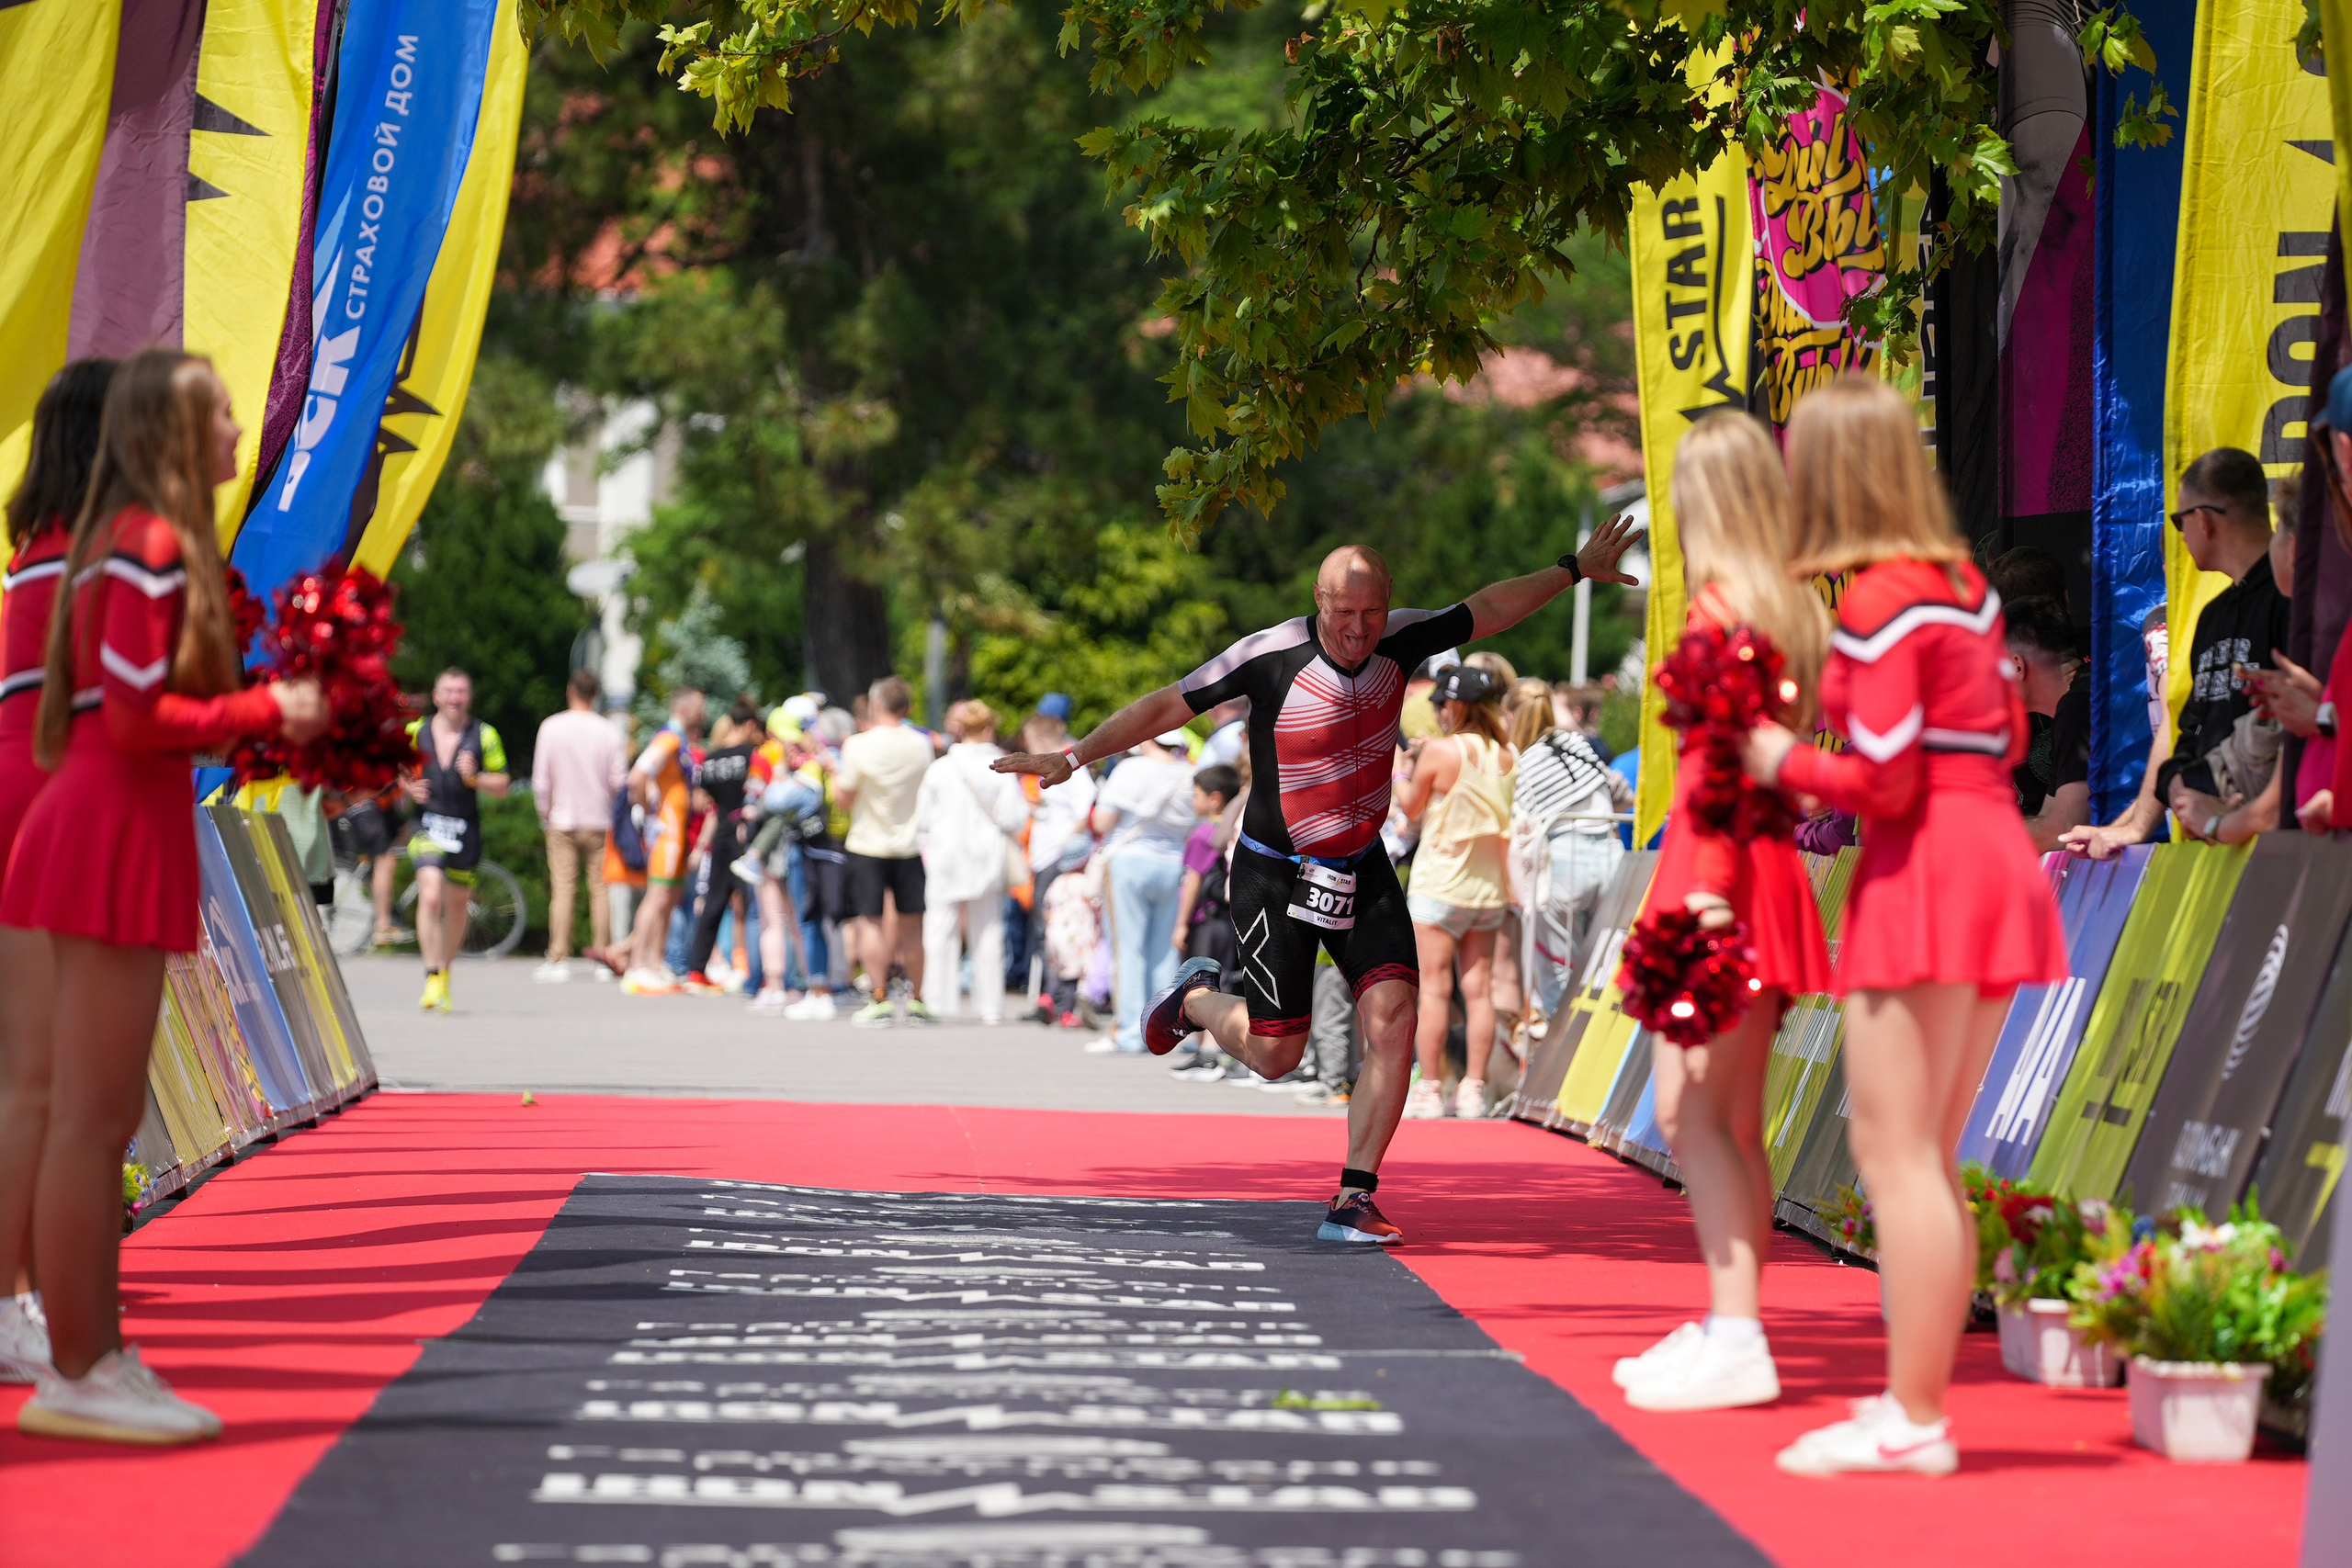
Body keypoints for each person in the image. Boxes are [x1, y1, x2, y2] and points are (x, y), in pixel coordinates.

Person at [993, 526, 1643, 1243]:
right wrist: (1077, 754)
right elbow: (1169, 704)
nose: (1359, 630)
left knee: (1393, 1014)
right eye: (1343, 613)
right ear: (1319, 600)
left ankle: (1354, 1197)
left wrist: (1572, 569)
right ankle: (1198, 1000)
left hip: (1361, 865)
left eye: (1372, 613)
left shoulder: (1405, 638)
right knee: (1277, 1053)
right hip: (1275, 870)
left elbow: (1488, 608)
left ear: (1387, 603)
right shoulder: (1268, 654)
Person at [1743, 375, 2065, 1475]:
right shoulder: (1965, 588)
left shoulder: (1879, 599)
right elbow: (1999, 744)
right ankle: (1912, 1406)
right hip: (1989, 860)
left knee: (1899, 1156)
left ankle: (1915, 1415)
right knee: (1924, 1155)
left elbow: (1878, 782)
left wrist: (1779, 758)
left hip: (1923, 871)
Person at [4, 349, 326, 1442]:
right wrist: (266, 713)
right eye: (222, 413)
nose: (242, 428)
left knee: (87, 1116)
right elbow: (133, 717)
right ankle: (80, 1365)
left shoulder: (113, 544)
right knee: (86, 1120)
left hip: (111, 820)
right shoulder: (141, 545)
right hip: (104, 821)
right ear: (170, 434)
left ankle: (91, 1352)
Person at [1608, 411, 1832, 1415]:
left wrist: (1698, 897)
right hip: (1762, 873)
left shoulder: (1718, 615)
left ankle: (1736, 1330)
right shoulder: (1790, 612)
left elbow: (1710, 769)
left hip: (1713, 876)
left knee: (1691, 1113)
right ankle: (1729, 1322)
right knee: (1730, 1120)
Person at [0, 358, 116, 1386]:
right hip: (37, 815)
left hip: (36, 809)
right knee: (32, 1085)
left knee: (41, 1083)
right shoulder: (78, 560)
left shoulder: (56, 552)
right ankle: (7, 1306)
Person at [2062, 447, 2290, 858]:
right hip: (2218, 848)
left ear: (2202, 519)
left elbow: (2306, 732)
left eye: (2179, 521)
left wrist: (2237, 813)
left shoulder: (2291, 600)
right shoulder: (2212, 616)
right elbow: (2186, 731)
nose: (2180, 536)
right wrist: (2135, 824)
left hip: (2282, 849)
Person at [1395, 665, 1517, 1120]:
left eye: (1441, 706)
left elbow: (1410, 809)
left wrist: (1406, 767)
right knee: (1479, 990)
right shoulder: (1507, 753)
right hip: (1488, 888)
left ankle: (1429, 1087)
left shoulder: (1440, 751)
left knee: (1434, 990)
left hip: (1440, 883)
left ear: (1454, 706)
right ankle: (1473, 1088)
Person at [1508, 673, 1630, 1019]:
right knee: (1608, 965)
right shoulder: (1579, 745)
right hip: (1611, 854)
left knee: (1558, 968)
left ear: (1512, 717)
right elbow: (1616, 791)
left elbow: (1519, 820)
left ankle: (1558, 1053)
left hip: (1563, 861)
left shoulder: (1523, 761)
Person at [912, 699, 1030, 1021]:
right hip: (987, 856)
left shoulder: (940, 768)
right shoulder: (1001, 767)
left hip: (946, 855)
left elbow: (922, 819)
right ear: (990, 727)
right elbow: (1014, 818)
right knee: (989, 931)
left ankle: (938, 1000)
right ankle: (990, 1005)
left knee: (940, 929)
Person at [403, 669, 510, 1011]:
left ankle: (444, 971)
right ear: (436, 696)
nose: (455, 697)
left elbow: (504, 785)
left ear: (469, 697)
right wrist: (406, 787)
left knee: (458, 905)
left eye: (461, 691)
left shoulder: (485, 734)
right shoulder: (415, 732)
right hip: (426, 827)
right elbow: (388, 767)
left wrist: (476, 777)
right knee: (431, 894)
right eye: (448, 691)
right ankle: (432, 973)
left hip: (465, 830)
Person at [1089, 730, 1201, 1054]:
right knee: (1164, 953)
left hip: (1129, 862)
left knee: (1128, 950)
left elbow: (1102, 822)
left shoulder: (1131, 769)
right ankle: (1169, 1031)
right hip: (1173, 865)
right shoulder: (1188, 773)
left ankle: (1129, 1033)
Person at [837, 675, 936, 1025]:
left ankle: (878, 997)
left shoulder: (857, 745)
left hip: (867, 842)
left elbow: (844, 798)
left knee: (871, 924)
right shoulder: (921, 744)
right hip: (909, 844)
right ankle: (917, 999)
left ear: (874, 705)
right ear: (907, 708)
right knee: (913, 927)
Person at [532, 667, 626, 981]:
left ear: (571, 690)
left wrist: (544, 812)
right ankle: (603, 957)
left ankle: (558, 957)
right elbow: (618, 780)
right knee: (600, 890)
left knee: (563, 890)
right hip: (599, 820)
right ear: (596, 695)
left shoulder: (551, 727)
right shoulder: (609, 731)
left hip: (562, 818)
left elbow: (541, 780)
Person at [620, 685, 707, 993]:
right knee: (656, 897)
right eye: (699, 705)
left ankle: (656, 963)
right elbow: (636, 778)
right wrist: (650, 813)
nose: (704, 712)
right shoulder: (669, 738)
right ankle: (637, 965)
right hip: (667, 830)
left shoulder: (678, 739)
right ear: (684, 708)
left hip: (675, 829)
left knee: (668, 898)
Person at [682, 698, 762, 994]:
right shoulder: (752, 755)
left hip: (721, 836)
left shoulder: (712, 758)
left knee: (714, 902)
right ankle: (756, 972)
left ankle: (696, 970)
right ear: (751, 725)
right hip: (747, 836)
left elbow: (703, 802)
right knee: (752, 907)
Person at [2004, 596, 2092, 851]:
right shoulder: (2075, 702)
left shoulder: (2078, 705)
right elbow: (2047, 821)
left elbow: (2063, 832)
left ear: (2016, 666)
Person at [1173, 764, 1242, 973]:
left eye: (1196, 795)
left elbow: (1193, 881)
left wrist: (1181, 924)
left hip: (1204, 922)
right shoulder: (1236, 828)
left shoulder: (1203, 834)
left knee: (1198, 985)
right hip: (1227, 921)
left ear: (1215, 799)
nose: (1192, 801)